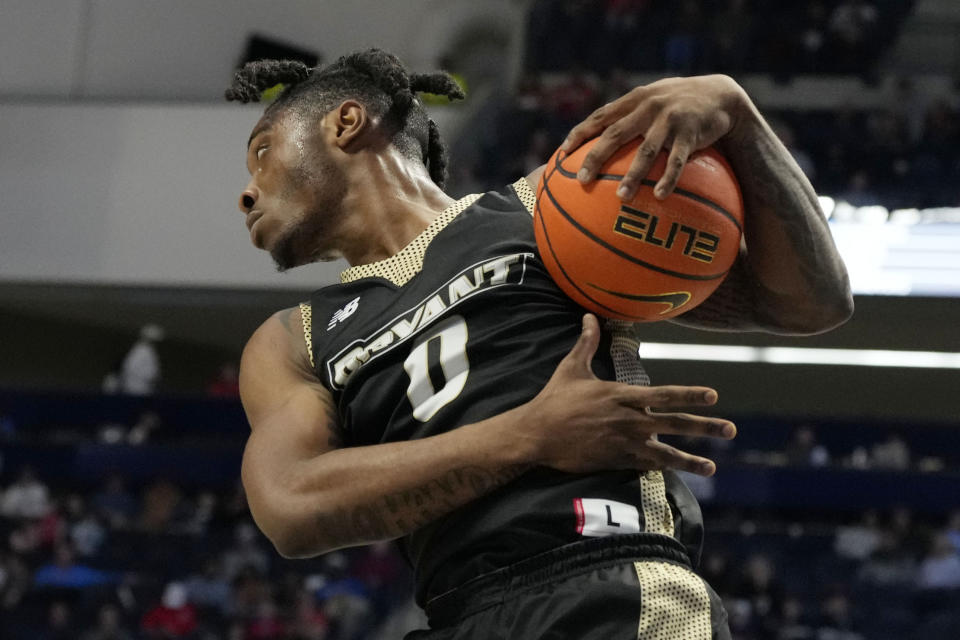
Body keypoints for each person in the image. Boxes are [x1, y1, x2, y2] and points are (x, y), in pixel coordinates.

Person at [226, 49, 852, 639]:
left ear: (346, 123)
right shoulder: (292, 339)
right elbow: (290, 507)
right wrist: (529, 434)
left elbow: (810, 301)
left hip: (611, 581)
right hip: (457, 612)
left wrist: (738, 114)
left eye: (264, 152)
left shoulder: (548, 207)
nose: (247, 191)